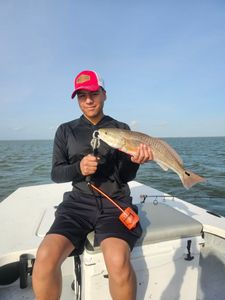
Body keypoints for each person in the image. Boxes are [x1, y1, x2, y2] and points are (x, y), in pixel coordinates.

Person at [32, 70, 153, 300]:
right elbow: (56, 173)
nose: (88, 100)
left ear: (104, 94)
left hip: (114, 204)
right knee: (45, 257)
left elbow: (125, 177)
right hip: (77, 204)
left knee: (118, 261)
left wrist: (135, 162)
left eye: (94, 93)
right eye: (82, 95)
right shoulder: (65, 130)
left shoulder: (121, 128)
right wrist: (79, 168)